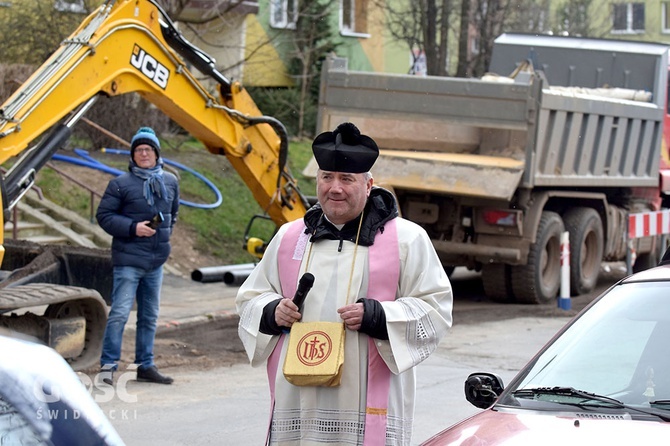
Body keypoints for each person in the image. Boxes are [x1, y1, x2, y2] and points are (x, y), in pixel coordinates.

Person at [236, 122, 453, 445]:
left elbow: (435, 311)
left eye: (346, 179)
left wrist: (378, 316)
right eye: (327, 177)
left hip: (364, 398)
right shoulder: (291, 237)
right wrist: (271, 312)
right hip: (299, 396)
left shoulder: (406, 239)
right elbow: (250, 298)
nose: (334, 188)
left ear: (368, 185)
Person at [97, 126, 180, 385]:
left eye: (148, 149)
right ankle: (107, 367)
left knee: (149, 315)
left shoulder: (170, 180)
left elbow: (174, 214)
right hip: (128, 260)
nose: (143, 154)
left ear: (156, 153)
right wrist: (134, 228)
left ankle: (145, 365)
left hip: (156, 261)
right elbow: (104, 217)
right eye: (138, 150)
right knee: (120, 313)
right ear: (133, 155)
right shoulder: (120, 185)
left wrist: (162, 235)